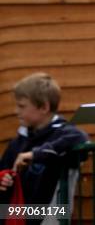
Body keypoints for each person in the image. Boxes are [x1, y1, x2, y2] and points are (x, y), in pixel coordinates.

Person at [0, 73, 88, 206]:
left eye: (22, 106)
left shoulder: (64, 132)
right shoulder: (17, 143)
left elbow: (80, 138)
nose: (16, 111)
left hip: (53, 214)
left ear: (44, 107)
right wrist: (4, 179)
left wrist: (35, 155)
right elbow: (4, 170)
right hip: (21, 214)